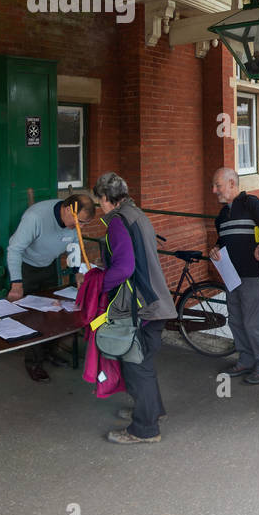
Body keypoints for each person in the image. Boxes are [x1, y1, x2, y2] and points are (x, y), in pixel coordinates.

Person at [95, 172, 179, 444]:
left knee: (135, 364)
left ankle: (144, 429)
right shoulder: (137, 214)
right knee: (143, 361)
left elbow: (124, 267)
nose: (100, 206)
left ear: (106, 199)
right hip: (156, 299)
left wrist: (99, 284)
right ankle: (154, 411)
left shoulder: (118, 223)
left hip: (140, 306)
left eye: (100, 201)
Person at [212, 167, 259, 385]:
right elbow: (225, 241)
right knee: (237, 320)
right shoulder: (221, 216)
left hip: (253, 276)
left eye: (217, 185)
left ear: (232, 183)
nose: (214, 190)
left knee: (255, 322)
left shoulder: (251, 204)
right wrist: (216, 248)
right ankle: (247, 359)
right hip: (232, 277)